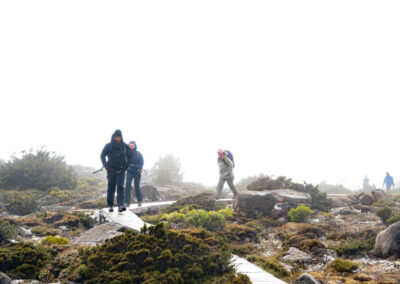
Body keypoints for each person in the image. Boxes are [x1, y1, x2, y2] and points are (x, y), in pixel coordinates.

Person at [100, 129, 132, 212]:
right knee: (111, 187)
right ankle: (110, 205)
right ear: (113, 137)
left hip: (121, 170)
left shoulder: (125, 146)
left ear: (121, 137)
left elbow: (130, 156)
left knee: (120, 187)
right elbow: (102, 155)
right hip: (110, 170)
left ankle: (120, 205)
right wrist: (105, 165)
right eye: (116, 137)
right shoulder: (108, 146)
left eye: (119, 137)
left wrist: (126, 166)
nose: (117, 138)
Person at [125, 141, 144, 207]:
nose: (131, 146)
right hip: (129, 171)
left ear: (135, 146)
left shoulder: (138, 153)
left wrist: (140, 168)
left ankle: (139, 201)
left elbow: (142, 161)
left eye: (132, 145)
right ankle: (127, 202)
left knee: (137, 186)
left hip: (137, 172)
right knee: (127, 185)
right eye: (130, 145)